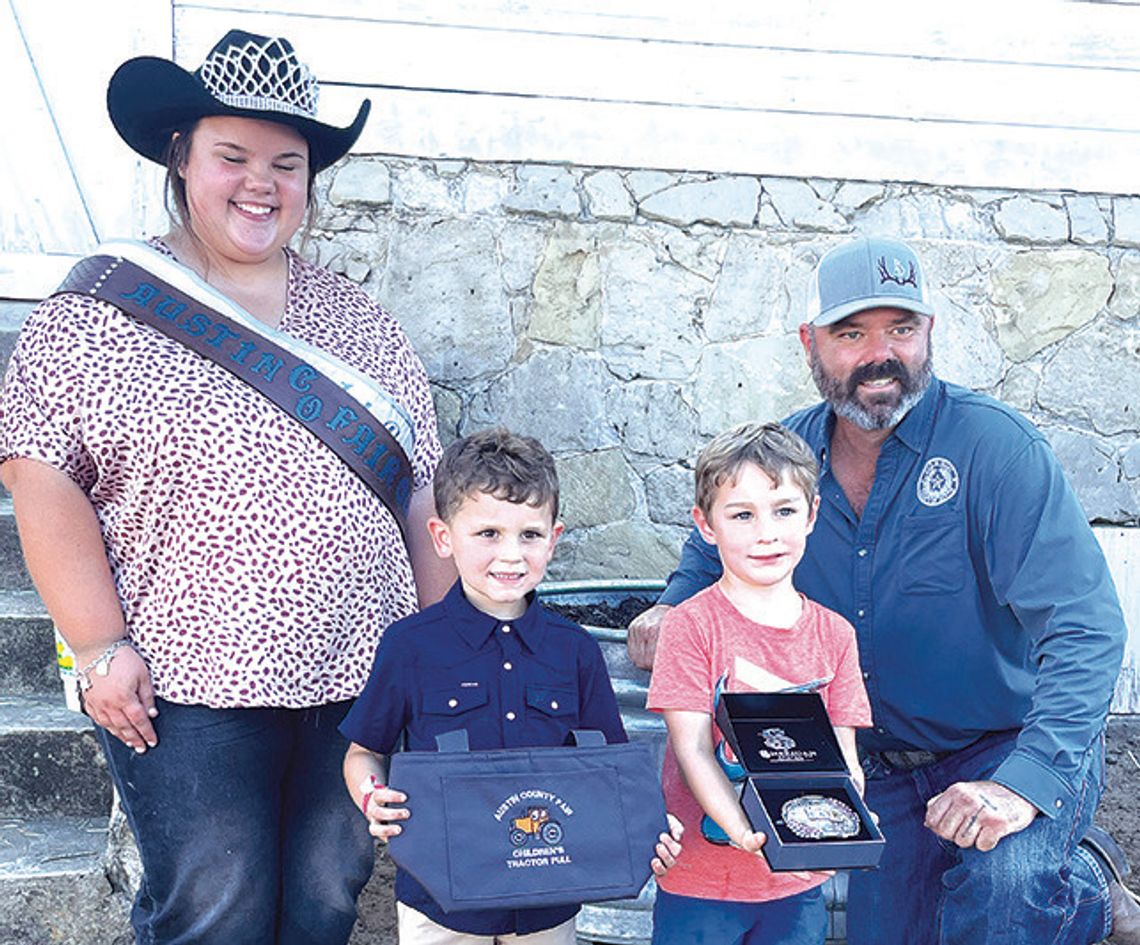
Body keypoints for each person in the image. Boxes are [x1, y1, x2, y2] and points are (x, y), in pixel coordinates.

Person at [0, 30, 453, 945]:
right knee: (215, 911)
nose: (261, 183)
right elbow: (40, 473)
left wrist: (438, 654)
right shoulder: (96, 310)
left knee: (327, 897)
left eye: (286, 164)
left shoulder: (360, 322)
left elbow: (420, 499)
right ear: (182, 157)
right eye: (233, 156)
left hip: (357, 673)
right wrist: (96, 645)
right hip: (186, 683)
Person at [627, 236, 1140, 945]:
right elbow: (705, 554)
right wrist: (669, 605)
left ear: (929, 333)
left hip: (1003, 740)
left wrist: (1023, 782)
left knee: (1004, 887)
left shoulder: (997, 451)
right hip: (873, 768)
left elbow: (1086, 628)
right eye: (852, 333)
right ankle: (1065, 893)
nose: (881, 354)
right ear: (810, 343)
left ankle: (1074, 889)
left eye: (901, 328)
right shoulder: (784, 459)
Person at [340, 428, 683, 945]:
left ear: (555, 536)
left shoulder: (576, 650)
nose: (511, 555)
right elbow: (362, 753)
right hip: (441, 904)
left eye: (529, 534)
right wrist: (372, 797)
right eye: (488, 534)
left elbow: (613, 772)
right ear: (442, 537)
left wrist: (650, 827)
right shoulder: (409, 647)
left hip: (548, 901)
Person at [646, 421, 871, 945]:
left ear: (812, 515)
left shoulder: (835, 635)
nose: (766, 533)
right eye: (742, 515)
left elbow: (844, 757)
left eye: (784, 511)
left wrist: (849, 815)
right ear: (706, 525)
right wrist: (746, 830)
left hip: (796, 886)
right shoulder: (690, 624)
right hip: (701, 883)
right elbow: (693, 750)